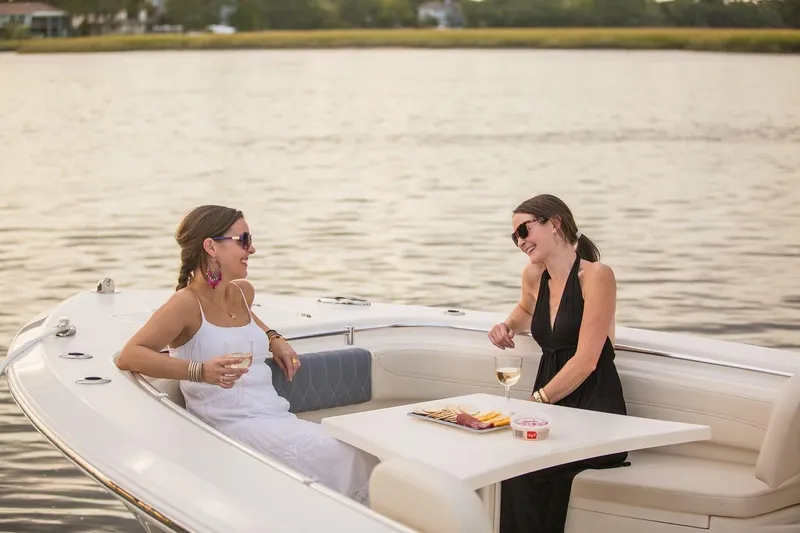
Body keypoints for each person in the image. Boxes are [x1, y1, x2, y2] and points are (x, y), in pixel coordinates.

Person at [116, 205, 378, 504]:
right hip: (233, 428)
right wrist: (199, 371)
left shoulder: (242, 293)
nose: (251, 248)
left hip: (277, 416)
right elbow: (130, 355)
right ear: (211, 246)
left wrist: (273, 337)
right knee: (361, 458)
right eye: (243, 239)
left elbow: (244, 322)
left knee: (370, 453)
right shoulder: (185, 305)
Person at [488, 194, 630, 533]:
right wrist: (506, 326)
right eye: (515, 236)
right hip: (552, 403)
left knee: (527, 466)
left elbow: (586, 362)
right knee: (506, 460)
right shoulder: (534, 276)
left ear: (555, 223)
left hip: (594, 406)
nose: (520, 241)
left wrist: (537, 402)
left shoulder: (596, 276)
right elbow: (527, 309)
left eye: (525, 229)